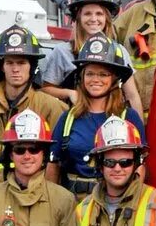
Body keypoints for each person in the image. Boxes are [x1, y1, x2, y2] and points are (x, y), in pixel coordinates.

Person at [0, 25, 65, 214]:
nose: (16, 69)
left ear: (32, 66)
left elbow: (58, 163)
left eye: (22, 62)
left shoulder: (51, 108)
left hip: (35, 206)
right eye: (10, 63)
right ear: (2, 66)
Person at [52, 35, 146, 195]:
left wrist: (129, 203)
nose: (96, 79)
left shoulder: (128, 118)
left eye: (103, 74)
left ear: (115, 79)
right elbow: (52, 166)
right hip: (74, 204)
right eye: (90, 74)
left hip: (115, 202)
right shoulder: (67, 119)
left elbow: (140, 166)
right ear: (81, 77)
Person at [38, 0, 144, 115]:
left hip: (112, 127)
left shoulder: (119, 52)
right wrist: (69, 93)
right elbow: (45, 90)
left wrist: (139, 133)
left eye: (99, 14)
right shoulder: (63, 52)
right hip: (75, 125)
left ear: (107, 18)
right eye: (87, 13)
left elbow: (132, 96)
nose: (93, 19)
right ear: (78, 18)